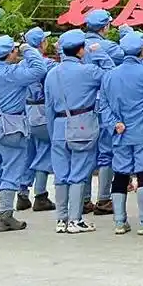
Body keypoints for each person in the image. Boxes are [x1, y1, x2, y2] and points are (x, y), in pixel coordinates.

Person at [0, 34, 50, 232]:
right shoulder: (14, 73)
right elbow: (40, 68)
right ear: (9, 53)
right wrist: (27, 48)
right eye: (14, 50)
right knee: (12, 169)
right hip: (12, 125)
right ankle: (6, 216)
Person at [100, 33, 143, 236]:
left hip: (120, 133)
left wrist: (113, 123)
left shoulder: (109, 75)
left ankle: (119, 221)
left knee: (120, 174)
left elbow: (103, 105)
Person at [44, 29, 106, 234]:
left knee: (61, 175)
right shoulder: (89, 71)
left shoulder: (52, 73)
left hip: (60, 126)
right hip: (83, 124)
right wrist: (99, 53)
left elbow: (49, 107)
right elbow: (110, 75)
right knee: (78, 174)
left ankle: (61, 219)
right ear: (81, 51)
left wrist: (53, 134)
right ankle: (75, 219)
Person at [81, 10, 121, 215]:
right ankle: (104, 199)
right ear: (105, 27)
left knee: (85, 152)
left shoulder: (75, 43)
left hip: (81, 106)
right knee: (106, 153)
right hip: (103, 104)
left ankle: (84, 199)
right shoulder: (109, 47)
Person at [17, 27, 58, 213]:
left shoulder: (19, 65)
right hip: (42, 110)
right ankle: (41, 195)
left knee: (28, 153)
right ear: (42, 43)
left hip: (24, 111)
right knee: (45, 151)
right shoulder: (47, 64)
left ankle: (22, 193)